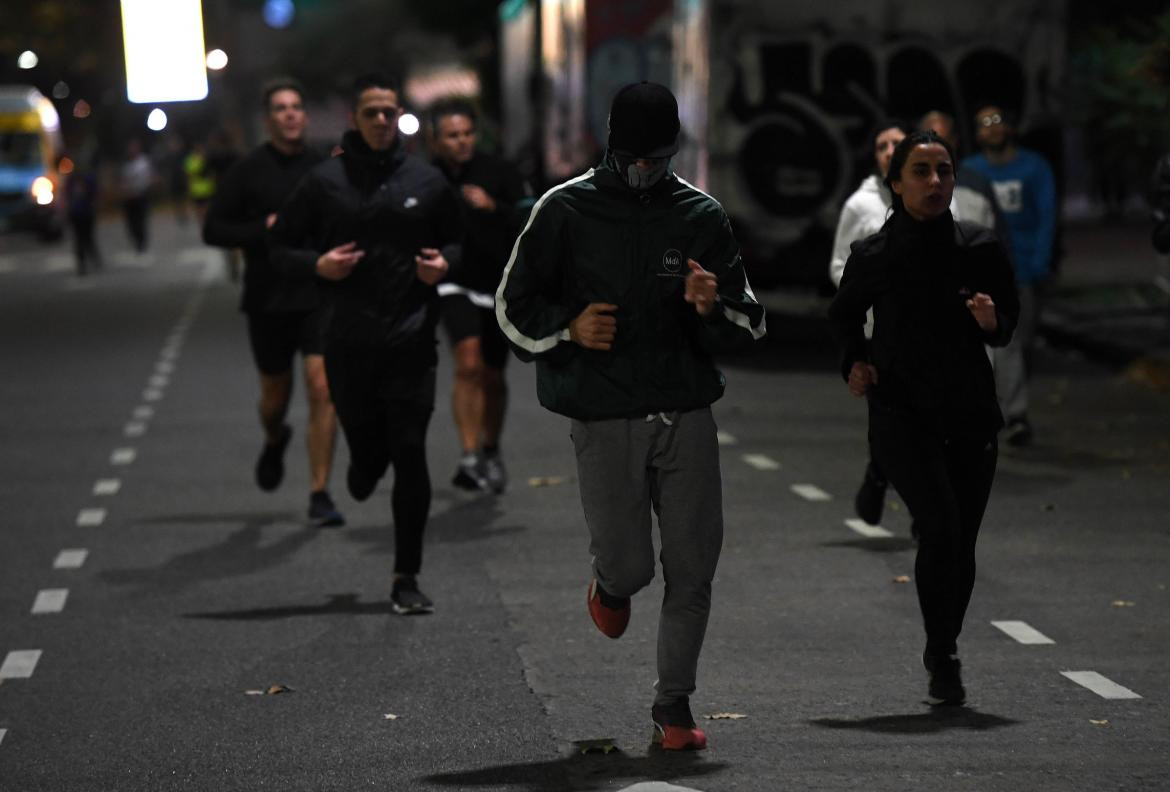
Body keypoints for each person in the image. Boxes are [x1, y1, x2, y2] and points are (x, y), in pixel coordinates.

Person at [496, 81, 766, 750]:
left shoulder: (700, 214)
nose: (645, 169)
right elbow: (510, 305)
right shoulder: (565, 209)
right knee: (633, 567)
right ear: (609, 146)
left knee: (694, 565)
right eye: (633, 156)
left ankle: (672, 707)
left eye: (657, 157)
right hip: (604, 413)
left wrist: (711, 307)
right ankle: (611, 587)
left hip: (686, 411)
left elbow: (750, 321)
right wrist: (568, 330)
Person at [828, 130, 1019, 706]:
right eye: (921, 171)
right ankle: (944, 655)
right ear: (896, 182)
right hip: (902, 414)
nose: (935, 182)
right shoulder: (875, 255)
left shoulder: (978, 248)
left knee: (961, 541)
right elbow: (842, 318)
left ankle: (944, 643)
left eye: (944, 171)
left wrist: (990, 322)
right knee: (938, 527)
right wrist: (855, 363)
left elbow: (1009, 320)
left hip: (969, 413)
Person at [270, 72, 463, 615]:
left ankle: (406, 575)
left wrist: (444, 264)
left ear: (399, 116)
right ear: (355, 118)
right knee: (369, 462)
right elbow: (280, 246)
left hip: (411, 341)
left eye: (389, 112)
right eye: (371, 112)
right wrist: (318, 265)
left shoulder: (426, 181)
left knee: (410, 451)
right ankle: (361, 463)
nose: (381, 120)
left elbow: (459, 240)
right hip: (348, 343)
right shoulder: (323, 182)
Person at [202, 77, 345, 529]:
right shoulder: (247, 171)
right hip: (268, 297)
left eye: (296, 106)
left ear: (304, 115)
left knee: (323, 389)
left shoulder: (324, 167)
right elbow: (214, 230)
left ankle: (320, 491)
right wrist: (260, 228)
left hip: (318, 293)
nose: (289, 114)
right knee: (274, 399)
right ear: (268, 119)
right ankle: (275, 436)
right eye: (280, 107)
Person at [428, 99, 529, 493]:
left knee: (492, 374)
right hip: (454, 283)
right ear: (436, 140)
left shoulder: (500, 172)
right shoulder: (427, 178)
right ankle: (469, 456)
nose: (462, 141)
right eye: (452, 135)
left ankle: (490, 448)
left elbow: (530, 218)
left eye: (467, 133)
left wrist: (494, 206)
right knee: (467, 362)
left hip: (498, 285)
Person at [963, 105, 1056, 447]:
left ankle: (1012, 402)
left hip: (1025, 270)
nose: (992, 129)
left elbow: (1047, 217)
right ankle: (1007, 411)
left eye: (998, 121)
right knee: (992, 342)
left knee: (1021, 341)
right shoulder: (970, 171)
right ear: (976, 134)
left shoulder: (1034, 167)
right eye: (984, 123)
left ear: (1010, 127)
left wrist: (1040, 264)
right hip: (986, 273)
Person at [829, 120, 907, 527]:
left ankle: (923, 512)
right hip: (879, 331)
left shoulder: (934, 196)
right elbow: (839, 264)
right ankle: (879, 471)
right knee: (888, 418)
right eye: (882, 145)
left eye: (897, 143)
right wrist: (867, 290)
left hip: (926, 334)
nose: (890, 150)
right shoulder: (860, 206)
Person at [64, 155, 103, 276]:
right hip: (76, 213)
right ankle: (82, 264)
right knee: (79, 240)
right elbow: (67, 196)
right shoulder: (71, 180)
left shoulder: (88, 179)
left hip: (86, 213)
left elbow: (95, 194)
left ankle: (94, 258)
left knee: (88, 237)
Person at [119, 139, 153, 253]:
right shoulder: (126, 164)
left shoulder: (143, 162)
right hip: (128, 198)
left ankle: (141, 242)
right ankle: (136, 240)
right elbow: (123, 180)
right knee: (131, 223)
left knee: (140, 221)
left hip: (140, 196)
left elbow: (148, 179)